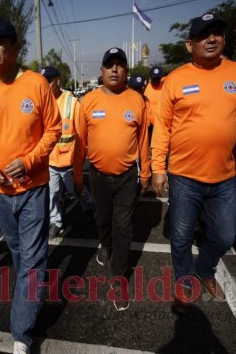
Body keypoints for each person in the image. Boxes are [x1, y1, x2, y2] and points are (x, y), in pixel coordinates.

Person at [151, 13, 236, 313]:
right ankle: (184, 282)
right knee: (180, 236)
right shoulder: (175, 79)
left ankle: (204, 270)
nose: (212, 39)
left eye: (217, 33)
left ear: (224, 39)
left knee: (224, 235)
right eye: (205, 35)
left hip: (224, 178)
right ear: (190, 45)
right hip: (183, 176)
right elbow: (162, 127)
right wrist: (158, 168)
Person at [0, 17, 61, 354]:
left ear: (15, 47)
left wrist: (29, 160)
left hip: (33, 189)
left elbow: (54, 129)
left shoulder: (36, 84)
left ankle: (21, 335)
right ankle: (31, 292)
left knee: (33, 260)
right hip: (0, 193)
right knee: (20, 254)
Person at [74, 47, 151, 311]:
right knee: (102, 219)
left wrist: (146, 172)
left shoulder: (137, 100)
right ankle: (104, 243)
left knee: (124, 228)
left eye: (120, 65)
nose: (115, 69)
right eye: (110, 65)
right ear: (102, 71)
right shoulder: (88, 102)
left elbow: (143, 141)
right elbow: (80, 143)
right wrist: (77, 175)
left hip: (127, 177)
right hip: (97, 177)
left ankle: (119, 279)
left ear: (126, 71)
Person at [41, 65, 93, 239]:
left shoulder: (72, 102)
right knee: (52, 194)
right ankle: (56, 222)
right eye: (43, 81)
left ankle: (89, 204)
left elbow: (81, 137)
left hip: (68, 160)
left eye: (48, 81)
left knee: (76, 190)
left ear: (57, 80)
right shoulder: (41, 102)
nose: (46, 85)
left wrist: (78, 164)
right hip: (50, 161)